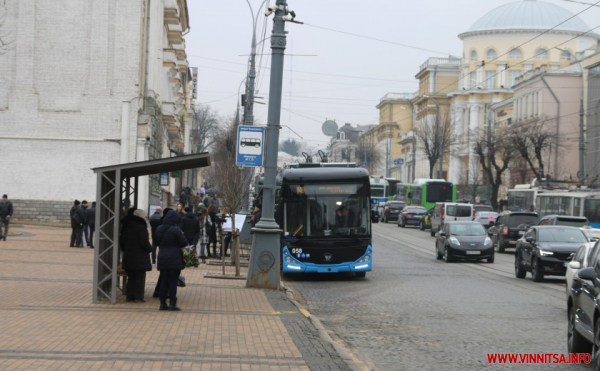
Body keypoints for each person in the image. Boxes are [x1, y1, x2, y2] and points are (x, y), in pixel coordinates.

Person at [156, 210, 188, 311]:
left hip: (162, 257)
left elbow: (156, 241)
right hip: (175, 258)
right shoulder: (176, 230)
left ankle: (162, 303)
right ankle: (172, 303)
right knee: (173, 282)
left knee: (164, 281)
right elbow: (183, 243)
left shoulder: (159, 228)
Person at [121, 209, 152, 303]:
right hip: (140, 257)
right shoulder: (141, 227)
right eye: (145, 216)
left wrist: (126, 250)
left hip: (129, 256)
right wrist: (150, 248)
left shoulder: (128, 226)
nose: (146, 218)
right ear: (141, 217)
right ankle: (139, 297)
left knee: (131, 277)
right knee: (140, 278)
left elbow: (122, 241)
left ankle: (129, 296)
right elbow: (144, 242)